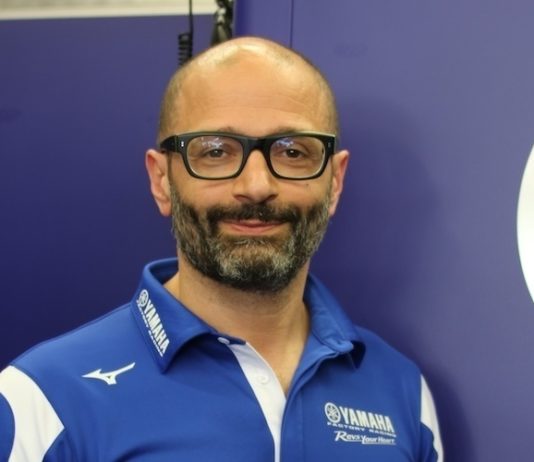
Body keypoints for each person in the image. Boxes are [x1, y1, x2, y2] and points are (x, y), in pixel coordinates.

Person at [0, 36, 443, 461]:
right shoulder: (45, 398)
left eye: (292, 152)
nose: (257, 186)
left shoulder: (402, 392)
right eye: (215, 151)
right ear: (161, 180)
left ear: (335, 182)